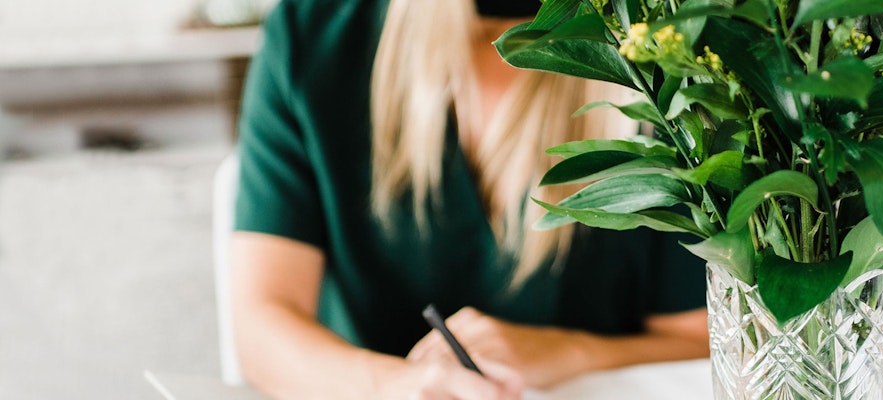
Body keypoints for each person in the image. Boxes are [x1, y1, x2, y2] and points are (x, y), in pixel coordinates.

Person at [230, 0, 709, 398]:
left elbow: (705, 339)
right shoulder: (313, 33)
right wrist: (396, 387)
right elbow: (263, 324)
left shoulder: (671, 56)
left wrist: (573, 352)